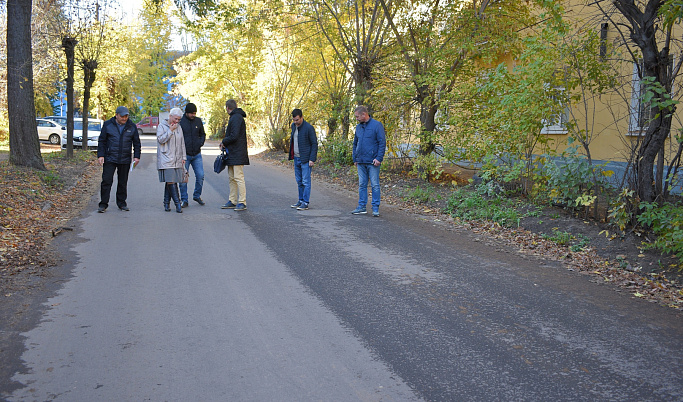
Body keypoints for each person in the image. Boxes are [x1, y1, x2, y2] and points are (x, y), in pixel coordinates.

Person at [97, 106, 141, 213]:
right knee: (106, 181)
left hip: (125, 158)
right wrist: (101, 155)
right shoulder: (108, 125)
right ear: (116, 115)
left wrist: (137, 156)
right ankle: (103, 204)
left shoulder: (131, 126)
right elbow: (102, 141)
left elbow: (136, 143)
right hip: (110, 157)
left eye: (126, 116)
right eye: (122, 116)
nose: (124, 118)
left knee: (122, 182)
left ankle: (121, 203)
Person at [351, 105, 386, 217]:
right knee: (362, 184)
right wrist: (355, 158)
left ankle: (375, 208)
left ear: (364, 114)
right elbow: (355, 143)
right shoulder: (358, 127)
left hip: (372, 161)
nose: (356, 118)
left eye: (357, 116)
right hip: (360, 161)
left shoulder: (377, 125)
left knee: (375, 185)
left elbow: (382, 143)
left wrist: (379, 158)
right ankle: (361, 207)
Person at [220, 99, 249, 211]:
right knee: (232, 178)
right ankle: (232, 200)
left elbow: (234, 136)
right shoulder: (235, 117)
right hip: (233, 153)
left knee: (238, 177)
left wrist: (224, 141)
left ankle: (242, 202)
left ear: (227, 108)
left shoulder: (236, 117)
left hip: (238, 153)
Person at [156, 108, 187, 213]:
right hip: (166, 158)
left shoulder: (179, 127)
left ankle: (166, 203)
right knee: (171, 181)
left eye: (179, 119)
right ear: (170, 116)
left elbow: (182, 142)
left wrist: (184, 157)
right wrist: (170, 131)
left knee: (170, 181)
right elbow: (160, 140)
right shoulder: (162, 126)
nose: (177, 121)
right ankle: (177, 204)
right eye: (175, 119)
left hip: (177, 158)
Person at [289, 109, 318, 210]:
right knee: (299, 181)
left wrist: (312, 159)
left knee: (306, 181)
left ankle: (305, 202)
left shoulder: (309, 128)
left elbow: (314, 144)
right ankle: (300, 200)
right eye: (294, 120)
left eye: (297, 120)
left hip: (306, 159)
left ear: (301, 117)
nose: (295, 122)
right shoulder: (293, 127)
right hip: (296, 158)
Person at [178, 103, 206, 207]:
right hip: (185, 155)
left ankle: (197, 195)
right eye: (191, 113)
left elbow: (202, 134)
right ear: (186, 112)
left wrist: (200, 143)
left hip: (197, 154)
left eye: (195, 113)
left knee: (200, 175)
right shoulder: (181, 122)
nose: (193, 115)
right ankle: (184, 200)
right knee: (183, 178)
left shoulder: (198, 121)